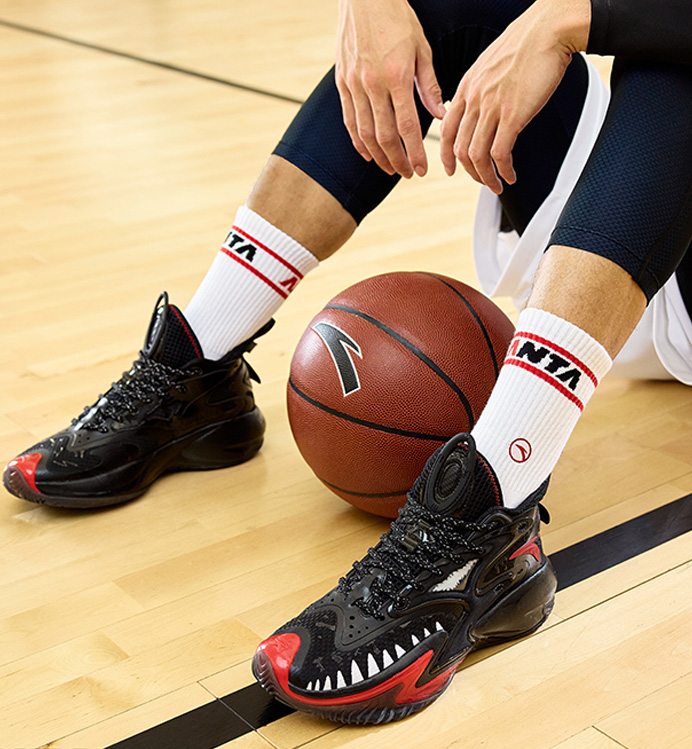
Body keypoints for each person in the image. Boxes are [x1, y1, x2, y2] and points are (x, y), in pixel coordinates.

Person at [4, 0, 692, 724]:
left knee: (675, 66)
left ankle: (491, 523)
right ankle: (198, 366)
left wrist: (564, 18)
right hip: (635, 249)